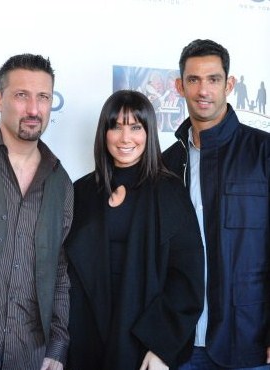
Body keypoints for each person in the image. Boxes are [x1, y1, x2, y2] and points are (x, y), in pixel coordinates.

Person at [65, 89, 204, 370]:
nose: (125, 138)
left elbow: (186, 278)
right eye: (115, 126)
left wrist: (161, 346)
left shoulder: (169, 191)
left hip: (144, 345)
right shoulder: (81, 191)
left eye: (135, 127)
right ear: (104, 133)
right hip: (85, 343)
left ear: (148, 132)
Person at [0, 54, 73, 370]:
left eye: (43, 97)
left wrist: (57, 348)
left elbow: (59, 271)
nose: (34, 109)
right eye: (22, 95)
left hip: (31, 357)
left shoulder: (60, 180)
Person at [162, 39, 270, 369]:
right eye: (193, 80)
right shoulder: (167, 163)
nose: (203, 90)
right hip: (181, 344)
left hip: (249, 341)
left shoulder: (262, 152)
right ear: (180, 86)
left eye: (213, 79)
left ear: (230, 84)